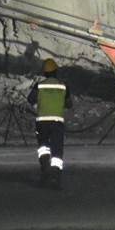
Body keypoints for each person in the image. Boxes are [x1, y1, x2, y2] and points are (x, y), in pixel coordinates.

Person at [27, 58, 71, 189]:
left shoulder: (39, 85)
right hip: (57, 122)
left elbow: (30, 99)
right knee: (57, 151)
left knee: (43, 148)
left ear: (45, 73)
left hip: (42, 122)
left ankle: (45, 172)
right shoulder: (63, 86)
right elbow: (69, 104)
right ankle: (55, 178)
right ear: (56, 71)